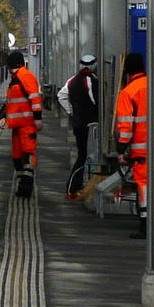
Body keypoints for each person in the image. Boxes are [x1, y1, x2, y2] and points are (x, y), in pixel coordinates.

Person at [0, 51, 43, 198]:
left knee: (28, 155)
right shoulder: (17, 77)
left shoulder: (25, 77)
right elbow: (13, 103)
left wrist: (38, 118)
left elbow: (35, 98)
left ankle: (26, 188)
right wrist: (5, 117)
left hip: (27, 124)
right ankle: (22, 185)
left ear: (10, 64)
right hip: (17, 125)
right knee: (18, 157)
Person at [56, 54, 100, 199]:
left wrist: (71, 111)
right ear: (94, 65)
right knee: (85, 155)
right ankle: (72, 187)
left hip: (77, 123)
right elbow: (96, 102)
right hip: (90, 124)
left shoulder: (72, 80)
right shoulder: (92, 81)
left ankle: (77, 186)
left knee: (83, 154)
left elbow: (61, 96)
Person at [116, 52, 148, 239]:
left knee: (143, 187)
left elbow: (126, 127)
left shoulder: (128, 92)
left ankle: (144, 225)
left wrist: (121, 150)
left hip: (140, 151)